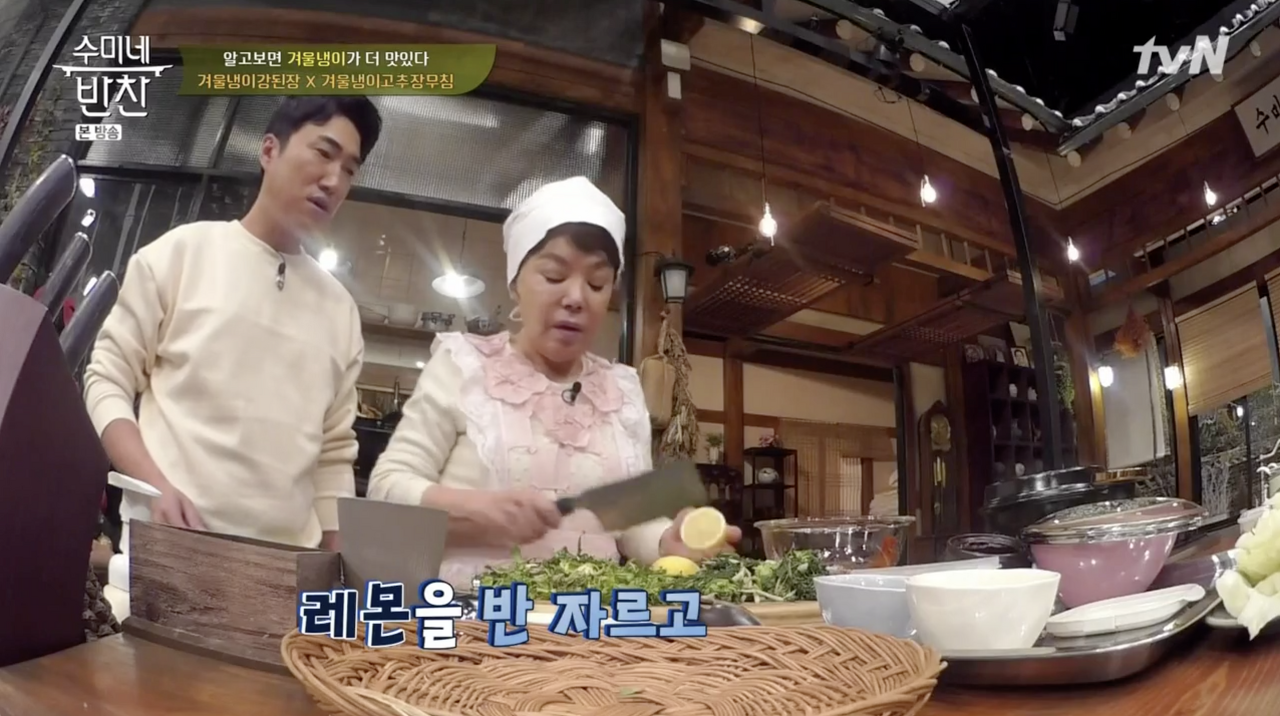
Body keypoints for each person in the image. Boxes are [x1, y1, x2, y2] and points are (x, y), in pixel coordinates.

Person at [368, 176, 741, 586]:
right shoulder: (464, 365)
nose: (576, 298)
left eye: (596, 283)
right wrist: (470, 508)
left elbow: (632, 523)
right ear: (515, 283)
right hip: (474, 612)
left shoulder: (621, 389)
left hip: (585, 613)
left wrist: (666, 541)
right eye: (553, 275)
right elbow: (387, 485)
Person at [83, 96, 382, 551]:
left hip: (285, 566)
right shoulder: (180, 255)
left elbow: (334, 453)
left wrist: (338, 564)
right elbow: (107, 380)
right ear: (269, 150)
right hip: (168, 547)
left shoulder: (340, 311)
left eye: (349, 170)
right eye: (324, 153)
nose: (334, 181)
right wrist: (154, 484)